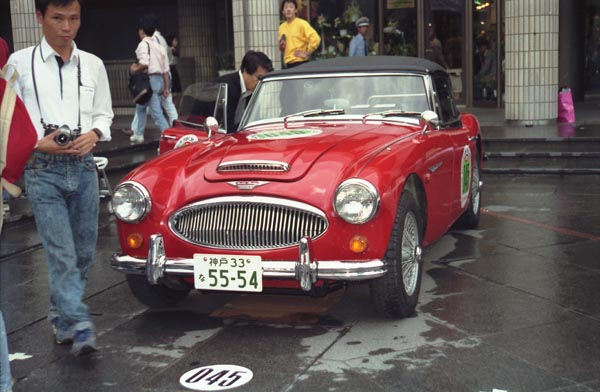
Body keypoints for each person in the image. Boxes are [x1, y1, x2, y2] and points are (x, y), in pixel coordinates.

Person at [5, 0, 113, 356]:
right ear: (40, 17)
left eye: (73, 18)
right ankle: (79, 320)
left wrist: (94, 134)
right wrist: (38, 142)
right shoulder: (18, 64)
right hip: (41, 168)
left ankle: (61, 317)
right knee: (61, 253)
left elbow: (104, 114)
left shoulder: (94, 65)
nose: (66, 27)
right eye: (57, 18)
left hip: (83, 166)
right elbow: (6, 118)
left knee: (83, 253)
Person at [129, 14, 170, 144]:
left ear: (141, 30)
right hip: (158, 81)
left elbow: (145, 63)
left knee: (156, 112)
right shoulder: (159, 47)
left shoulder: (143, 44)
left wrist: (134, 69)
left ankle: (169, 136)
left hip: (148, 81)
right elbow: (165, 70)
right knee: (141, 107)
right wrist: (166, 87)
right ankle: (138, 134)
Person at [216, 50, 273, 133]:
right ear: (245, 71)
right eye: (259, 78)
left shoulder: (251, 89)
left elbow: (254, 119)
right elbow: (225, 127)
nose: (261, 83)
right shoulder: (227, 88)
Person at [278, 0, 320, 68]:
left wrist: (307, 53)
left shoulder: (302, 24)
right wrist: (281, 46)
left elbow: (316, 38)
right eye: (286, 7)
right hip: (288, 63)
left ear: (295, 10)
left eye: (291, 7)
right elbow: (282, 48)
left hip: (300, 62)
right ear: (283, 11)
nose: (288, 9)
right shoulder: (281, 27)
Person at [167, 34, 182, 106]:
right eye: (175, 40)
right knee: (173, 92)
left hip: (173, 69)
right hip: (170, 69)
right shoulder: (169, 49)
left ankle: (174, 110)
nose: (177, 42)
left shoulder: (173, 49)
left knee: (175, 93)